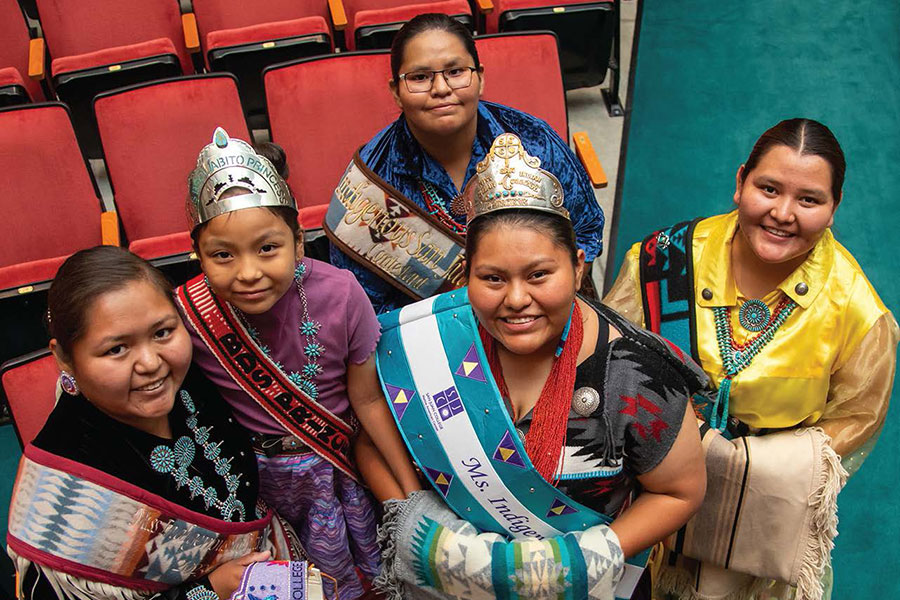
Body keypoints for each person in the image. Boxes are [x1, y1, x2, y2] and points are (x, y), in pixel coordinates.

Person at [370, 133, 707, 600]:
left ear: (579, 266)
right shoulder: (426, 339)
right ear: (466, 273)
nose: (515, 300)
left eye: (538, 275)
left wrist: (580, 560)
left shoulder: (638, 374)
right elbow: (371, 437)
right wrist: (418, 517)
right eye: (491, 278)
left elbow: (680, 492)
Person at [603, 118, 899, 600]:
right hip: (657, 497)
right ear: (740, 182)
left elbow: (857, 418)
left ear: (833, 207)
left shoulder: (860, 312)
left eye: (809, 199)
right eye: (769, 188)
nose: (783, 213)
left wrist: (745, 465)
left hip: (765, 522)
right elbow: (611, 358)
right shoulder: (663, 261)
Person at [176, 128, 421, 600]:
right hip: (250, 481)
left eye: (268, 248)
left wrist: (410, 498)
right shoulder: (187, 314)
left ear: (299, 242)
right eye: (222, 255)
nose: (248, 272)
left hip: (335, 471)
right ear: (197, 256)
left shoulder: (342, 293)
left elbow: (367, 398)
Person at [6, 246, 301, 600]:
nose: (151, 363)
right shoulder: (64, 493)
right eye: (116, 349)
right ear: (64, 358)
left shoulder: (193, 378)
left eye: (162, 332)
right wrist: (208, 592)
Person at [325, 13, 605, 314]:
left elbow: (585, 231)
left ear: (480, 77)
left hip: (540, 311)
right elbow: (367, 307)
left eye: (456, 71)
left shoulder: (532, 142)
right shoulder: (375, 176)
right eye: (420, 77)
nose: (441, 88)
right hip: (435, 336)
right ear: (396, 92)